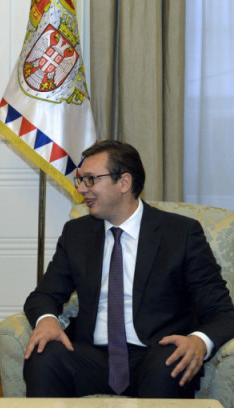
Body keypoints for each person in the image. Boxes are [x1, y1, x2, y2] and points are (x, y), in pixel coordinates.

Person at [23, 140, 234, 398]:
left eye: (90, 180)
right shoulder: (77, 233)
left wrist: (199, 340)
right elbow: (43, 296)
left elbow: (223, 312)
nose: (81, 189)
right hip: (92, 356)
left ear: (124, 182)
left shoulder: (180, 234)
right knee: (43, 355)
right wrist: (47, 321)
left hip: (157, 354)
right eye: (81, 180)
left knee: (169, 363)